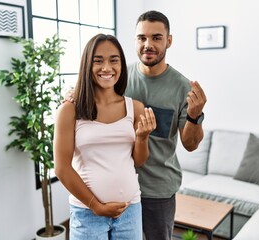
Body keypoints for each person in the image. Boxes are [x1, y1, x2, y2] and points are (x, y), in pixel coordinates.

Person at [64, 10, 207, 240]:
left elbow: (190, 144)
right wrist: (74, 92)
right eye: (142, 38)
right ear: (135, 40)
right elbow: (93, 89)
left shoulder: (182, 87)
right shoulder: (119, 75)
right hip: (116, 191)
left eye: (157, 38)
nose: (148, 44)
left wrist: (194, 116)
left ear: (169, 41)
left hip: (157, 190)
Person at [53, 33, 156, 240]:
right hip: (87, 212)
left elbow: (139, 161)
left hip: (130, 209)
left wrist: (143, 137)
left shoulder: (134, 107)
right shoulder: (70, 110)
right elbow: (62, 168)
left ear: (122, 65)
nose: (107, 68)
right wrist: (96, 206)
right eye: (98, 61)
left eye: (114, 60)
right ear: (87, 66)